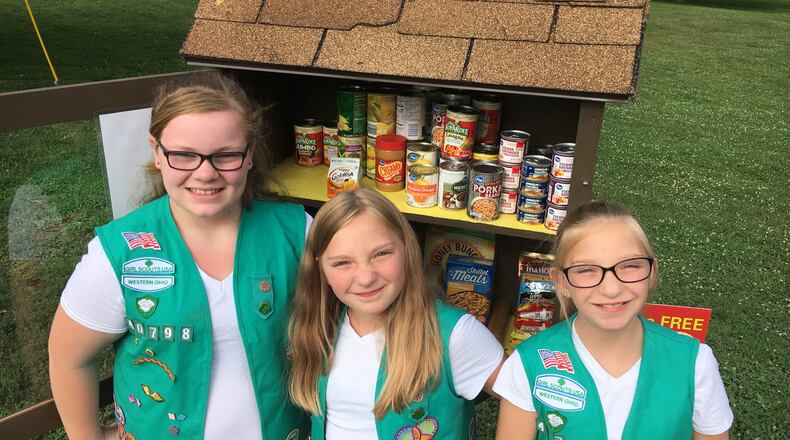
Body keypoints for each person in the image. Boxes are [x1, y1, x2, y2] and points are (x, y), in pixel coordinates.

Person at [48, 71, 310, 440]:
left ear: (249, 155)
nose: (205, 173)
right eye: (184, 155)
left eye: (226, 155)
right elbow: (67, 357)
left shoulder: (297, 233)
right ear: (157, 152)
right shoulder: (119, 253)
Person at [494, 201, 733, 439]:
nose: (611, 289)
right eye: (586, 269)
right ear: (561, 282)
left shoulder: (695, 364)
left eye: (630, 265)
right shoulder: (528, 365)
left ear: (652, 273)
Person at [287, 188, 504, 439]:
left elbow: (525, 393)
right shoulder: (319, 328)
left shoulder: (453, 334)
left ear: (407, 250)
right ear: (319, 268)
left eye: (381, 254)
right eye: (342, 262)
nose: (366, 278)